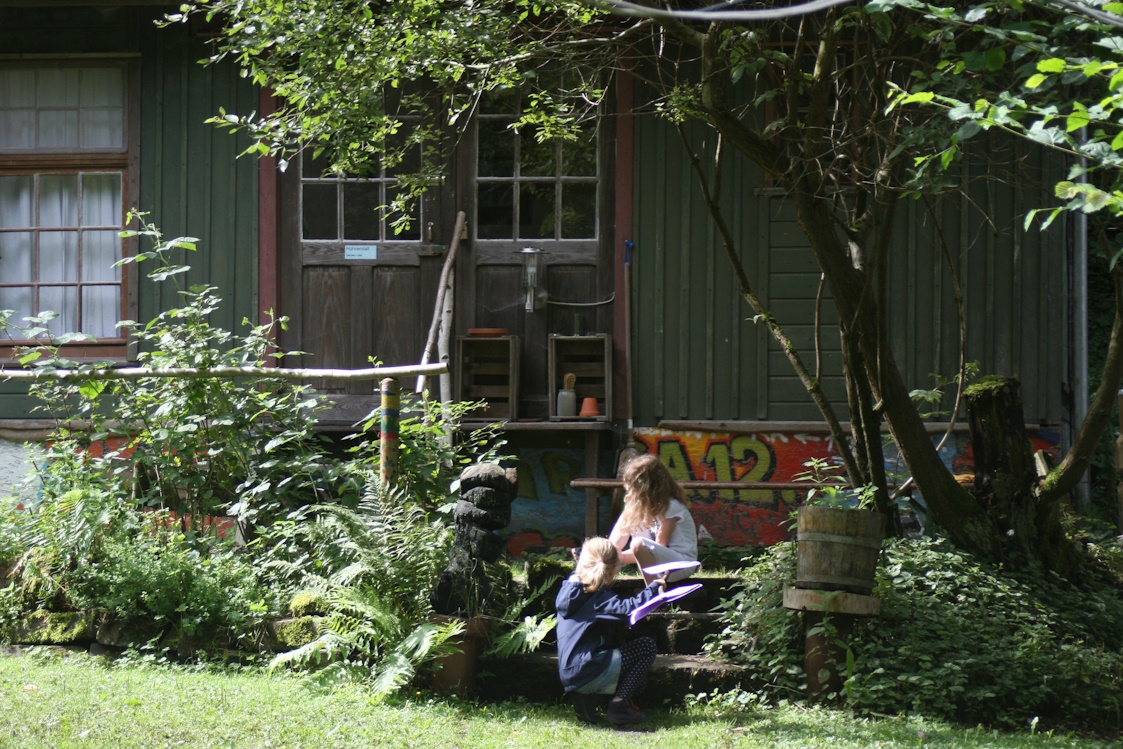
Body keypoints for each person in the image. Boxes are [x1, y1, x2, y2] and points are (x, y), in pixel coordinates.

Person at [555, 537, 664, 725]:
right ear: (613, 570)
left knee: (637, 680)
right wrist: (654, 588)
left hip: (570, 673)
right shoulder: (597, 595)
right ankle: (620, 706)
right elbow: (629, 608)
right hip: (588, 669)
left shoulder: (570, 590)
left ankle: (585, 701)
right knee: (646, 647)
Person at [609, 453, 699, 585]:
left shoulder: (671, 506)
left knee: (638, 543)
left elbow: (658, 546)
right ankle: (591, 568)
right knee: (628, 517)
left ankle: (652, 595)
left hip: (681, 564)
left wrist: (623, 556)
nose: (629, 491)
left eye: (633, 486)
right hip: (658, 564)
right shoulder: (638, 509)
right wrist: (615, 555)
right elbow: (615, 546)